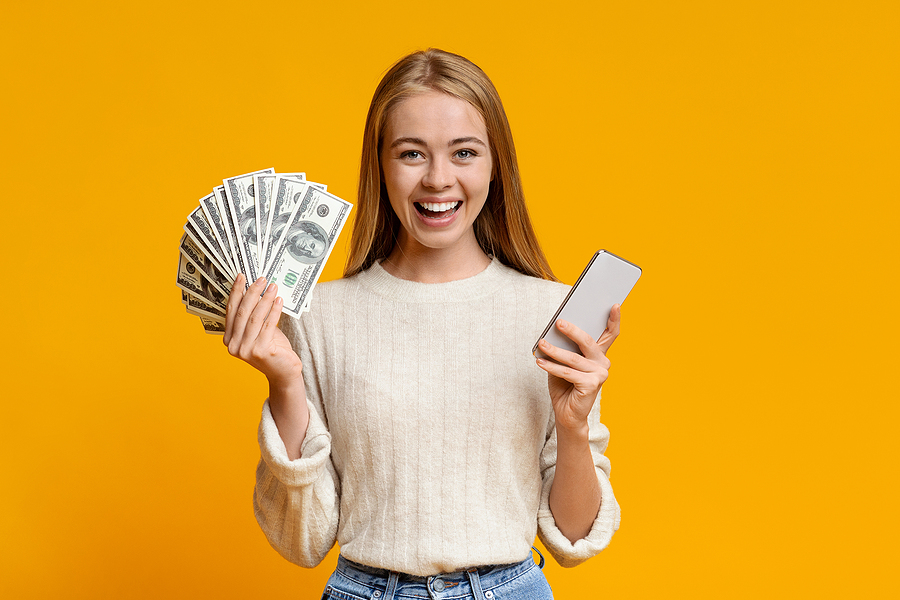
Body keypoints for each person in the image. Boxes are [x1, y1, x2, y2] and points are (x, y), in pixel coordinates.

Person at [223, 48, 622, 600]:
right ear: (380, 165)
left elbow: (575, 537)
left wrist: (573, 425)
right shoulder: (318, 317)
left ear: (494, 165)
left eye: (464, 153)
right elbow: (302, 542)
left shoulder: (553, 313)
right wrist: (284, 382)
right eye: (412, 154)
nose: (439, 179)